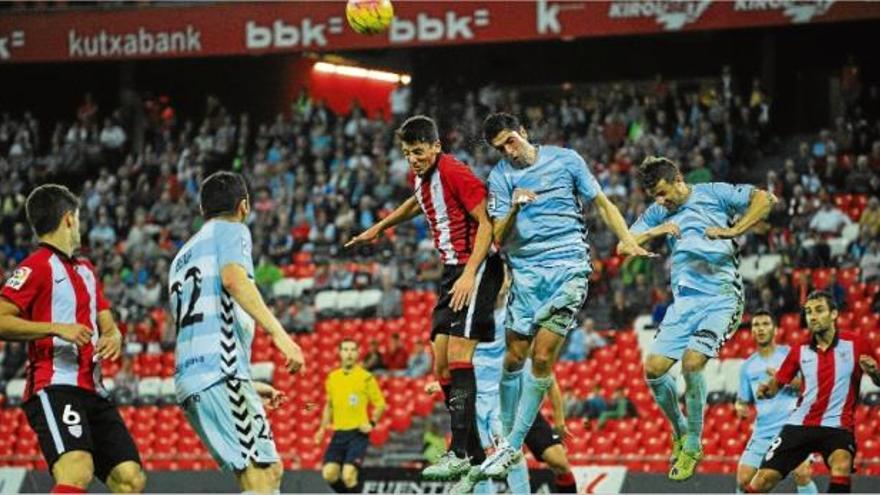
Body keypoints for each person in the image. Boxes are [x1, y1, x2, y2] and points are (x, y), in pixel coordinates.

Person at [477, 112, 649, 479]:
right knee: (515, 356)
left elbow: (602, 202)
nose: (508, 151)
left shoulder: (567, 160)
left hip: (568, 269)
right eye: (499, 148)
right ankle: (508, 439)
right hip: (525, 275)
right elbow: (497, 237)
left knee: (541, 358)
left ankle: (510, 446)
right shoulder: (500, 178)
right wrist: (513, 206)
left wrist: (627, 237)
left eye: (511, 140)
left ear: (524, 132)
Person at [347, 115, 503, 481]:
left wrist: (469, 274)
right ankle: (475, 451)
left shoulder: (455, 171)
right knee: (441, 364)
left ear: (436, 146)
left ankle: (460, 450)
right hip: (453, 270)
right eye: (407, 153)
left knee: (460, 356)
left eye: (418, 151)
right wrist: (380, 227)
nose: (412, 159)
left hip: (475, 266)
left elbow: (486, 222)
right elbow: (417, 202)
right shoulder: (422, 176)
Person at [627, 156, 777, 480]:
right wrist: (658, 228)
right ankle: (680, 430)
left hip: (722, 298)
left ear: (679, 178)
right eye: (656, 197)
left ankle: (694, 442)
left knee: (692, 362)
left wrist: (732, 230)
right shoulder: (659, 212)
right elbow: (624, 245)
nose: (661, 201)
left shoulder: (715, 193)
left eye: (665, 193)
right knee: (652, 370)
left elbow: (765, 199)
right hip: (683, 304)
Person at [0, 184, 146, 493]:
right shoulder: (35, 266)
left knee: (130, 478)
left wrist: (113, 333)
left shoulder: (87, 269)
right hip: (54, 386)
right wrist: (55, 328)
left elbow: (103, 314)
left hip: (93, 389)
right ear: (69, 219)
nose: (79, 225)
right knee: (77, 469)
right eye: (78, 218)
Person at [170, 172, 304, 494]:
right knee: (260, 476)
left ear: (203, 210)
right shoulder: (232, 230)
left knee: (268, 472)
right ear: (243, 206)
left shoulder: (181, 257)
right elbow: (234, 279)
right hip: (219, 373)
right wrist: (280, 335)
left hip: (196, 376)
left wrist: (246, 383)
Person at [442, 270, 578, 494]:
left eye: (504, 277)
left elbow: (545, 373)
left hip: (519, 404)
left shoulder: (519, 317)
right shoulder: (468, 321)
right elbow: (456, 362)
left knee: (559, 462)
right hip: (486, 403)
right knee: (480, 461)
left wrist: (560, 419)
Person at [749, 292, 880, 493]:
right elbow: (777, 383)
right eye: (809, 312)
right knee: (761, 481)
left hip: (838, 426)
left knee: (841, 464)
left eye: (819, 310)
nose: (812, 316)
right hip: (800, 424)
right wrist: (767, 391)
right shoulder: (799, 349)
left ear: (834, 314)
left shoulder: (857, 343)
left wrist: (875, 372)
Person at [734, 310, 816, 494]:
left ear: (776, 329)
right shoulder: (747, 367)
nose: (760, 328)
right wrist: (740, 407)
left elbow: (811, 385)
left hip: (793, 428)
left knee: (802, 473)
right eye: (756, 325)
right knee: (743, 480)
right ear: (752, 331)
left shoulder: (791, 355)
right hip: (763, 432)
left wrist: (783, 379)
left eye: (765, 324)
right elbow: (742, 400)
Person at [316, 339, 386, 493]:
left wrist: (372, 423)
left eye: (353, 350)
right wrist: (322, 429)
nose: (349, 353)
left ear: (358, 353)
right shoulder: (333, 378)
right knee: (329, 474)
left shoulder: (365, 377)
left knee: (348, 475)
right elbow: (329, 405)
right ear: (339, 353)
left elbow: (380, 404)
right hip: (339, 434)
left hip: (357, 434)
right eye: (346, 350)